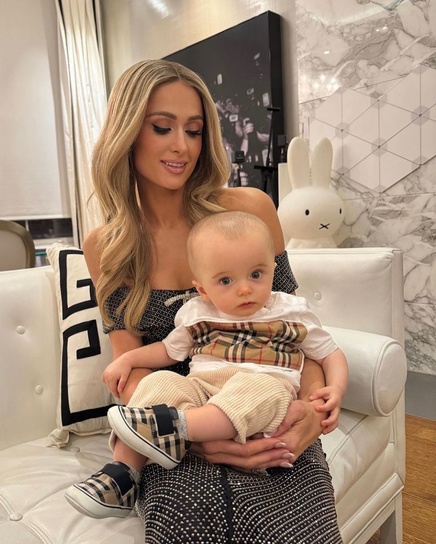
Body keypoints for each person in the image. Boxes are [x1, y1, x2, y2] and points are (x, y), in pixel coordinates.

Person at [66, 59, 343, 543]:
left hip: (268, 409)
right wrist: (196, 438)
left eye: (194, 130)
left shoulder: (248, 210)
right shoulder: (106, 245)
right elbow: (129, 368)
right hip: (173, 428)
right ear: (127, 134)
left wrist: (305, 416)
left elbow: (293, 328)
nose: (182, 146)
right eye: (162, 127)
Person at [66, 210, 348, 519]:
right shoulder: (198, 314)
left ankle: (177, 428)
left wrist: (334, 389)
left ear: (273, 269)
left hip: (265, 394)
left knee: (257, 388)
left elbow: (329, 353)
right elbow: (168, 352)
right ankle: (122, 476)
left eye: (256, 274)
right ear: (202, 289)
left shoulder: (290, 312)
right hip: (203, 390)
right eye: (225, 280)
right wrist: (128, 359)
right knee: (160, 382)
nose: (244, 289)